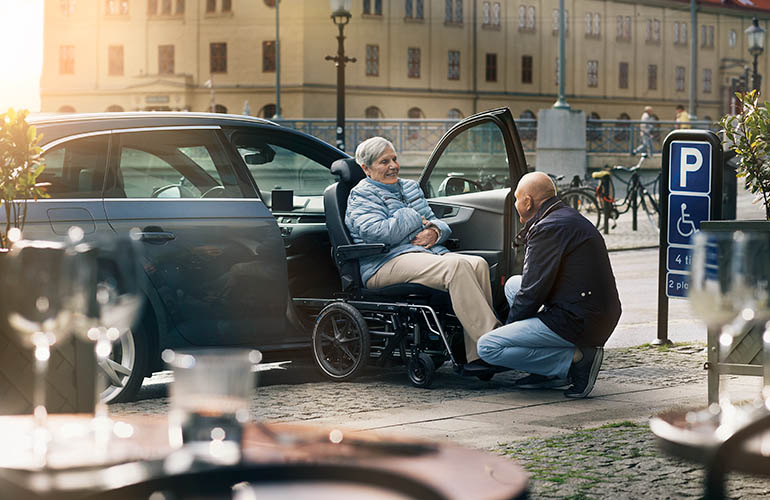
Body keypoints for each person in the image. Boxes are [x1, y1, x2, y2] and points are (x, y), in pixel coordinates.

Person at [345, 136, 500, 369]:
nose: (393, 166)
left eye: (394, 159)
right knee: (456, 267)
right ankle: (494, 345)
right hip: (383, 262)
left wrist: (435, 232)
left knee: (478, 263)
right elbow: (378, 233)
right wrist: (413, 217)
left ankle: (476, 353)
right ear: (366, 168)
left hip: (421, 253)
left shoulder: (409, 187)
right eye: (384, 161)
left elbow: (436, 222)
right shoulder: (361, 195)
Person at [477, 172, 622, 398]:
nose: (516, 204)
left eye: (517, 199)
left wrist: (508, 331)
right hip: (594, 311)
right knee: (513, 284)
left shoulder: (548, 228)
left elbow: (532, 293)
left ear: (528, 202)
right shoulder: (564, 216)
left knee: (488, 347)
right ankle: (548, 370)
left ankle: (577, 360)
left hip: (579, 320)